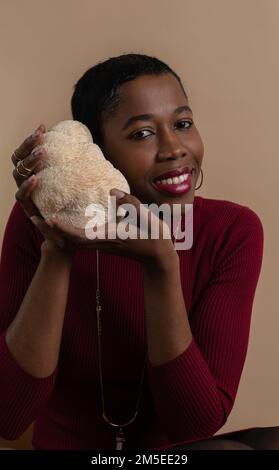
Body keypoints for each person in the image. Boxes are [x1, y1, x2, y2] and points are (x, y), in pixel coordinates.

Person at [0, 53, 278, 451]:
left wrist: (161, 263)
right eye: (142, 133)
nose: (174, 148)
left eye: (183, 124)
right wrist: (58, 249)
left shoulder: (232, 230)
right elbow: (9, 415)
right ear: (97, 153)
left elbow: (194, 424)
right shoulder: (39, 220)